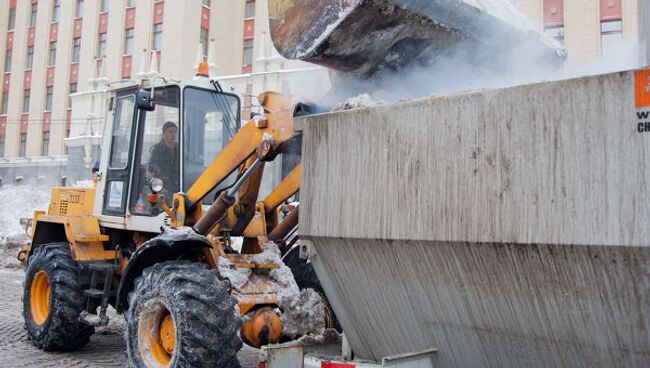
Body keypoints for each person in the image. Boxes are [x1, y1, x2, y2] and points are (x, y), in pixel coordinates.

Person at [148, 121, 180, 193]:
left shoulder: (180, 149)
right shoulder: (157, 149)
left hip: (179, 180)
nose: (173, 135)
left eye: (175, 132)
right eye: (170, 132)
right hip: (163, 182)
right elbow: (152, 164)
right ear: (164, 134)